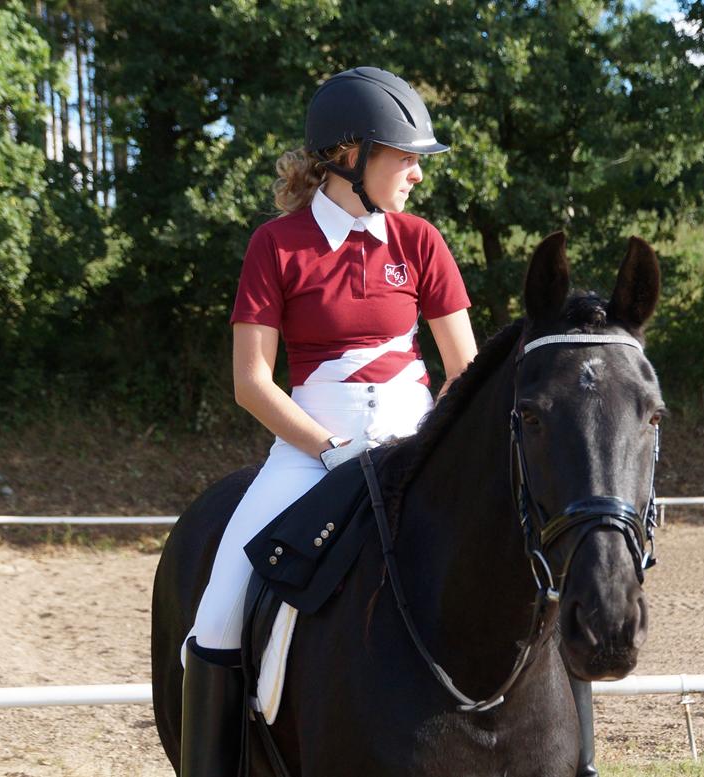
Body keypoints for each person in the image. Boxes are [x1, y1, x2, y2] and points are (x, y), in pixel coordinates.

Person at [179, 67, 477, 777]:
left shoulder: (420, 242)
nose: (415, 175)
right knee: (220, 607)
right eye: (403, 157)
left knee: (527, 559)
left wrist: (448, 453)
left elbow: (463, 370)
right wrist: (328, 448)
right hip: (311, 447)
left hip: (417, 441)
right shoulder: (277, 245)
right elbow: (252, 380)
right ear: (349, 155)